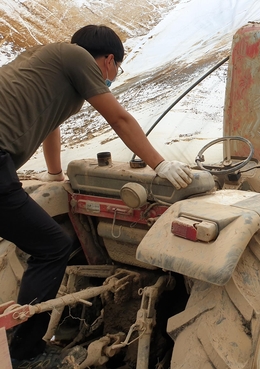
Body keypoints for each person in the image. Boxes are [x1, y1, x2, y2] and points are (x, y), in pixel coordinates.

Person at [0, 25, 193, 367]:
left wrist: (56, 174)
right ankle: (25, 352)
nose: (114, 75)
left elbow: (50, 124)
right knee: (52, 247)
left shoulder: (46, 62)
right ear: (107, 61)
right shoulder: (77, 57)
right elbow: (118, 118)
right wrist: (159, 164)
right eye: (118, 67)